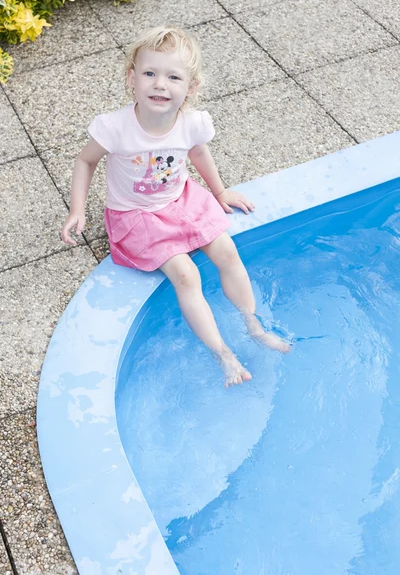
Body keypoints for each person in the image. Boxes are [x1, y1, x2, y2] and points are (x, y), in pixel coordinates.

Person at [61, 26, 291, 387]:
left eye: (173, 77)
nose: (159, 85)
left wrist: (219, 191)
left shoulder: (191, 122)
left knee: (228, 251)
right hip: (136, 215)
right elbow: (85, 161)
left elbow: (198, 153)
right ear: (131, 78)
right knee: (186, 275)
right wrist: (77, 209)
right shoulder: (115, 127)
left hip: (181, 199)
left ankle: (254, 326)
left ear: (191, 87)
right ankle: (223, 354)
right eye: (150, 73)